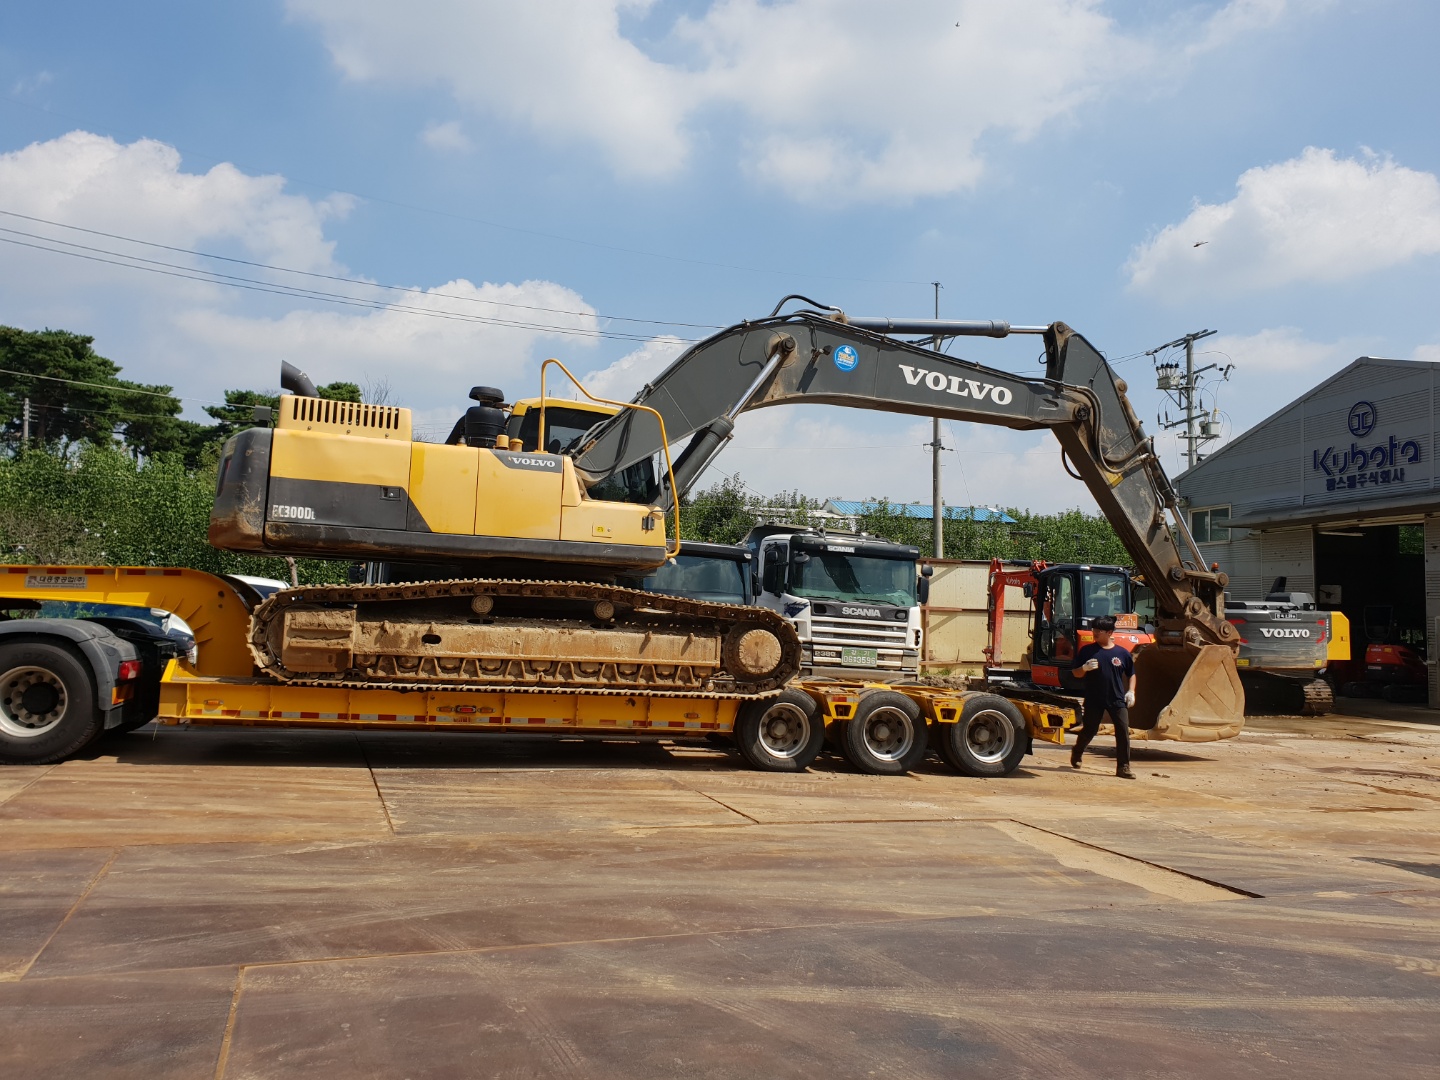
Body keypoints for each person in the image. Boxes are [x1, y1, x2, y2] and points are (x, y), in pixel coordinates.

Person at [1068, 615, 1137, 779]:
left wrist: (1132, 691)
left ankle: (1123, 767)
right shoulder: (1087, 651)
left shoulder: (1122, 653)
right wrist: (1084, 668)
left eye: (1099, 630)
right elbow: (1075, 673)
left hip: (1117, 699)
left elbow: (1131, 674)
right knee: (1090, 730)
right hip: (1094, 698)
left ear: (1109, 632)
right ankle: (1077, 751)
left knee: (1122, 732)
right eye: (1094, 629)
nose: (1095, 633)